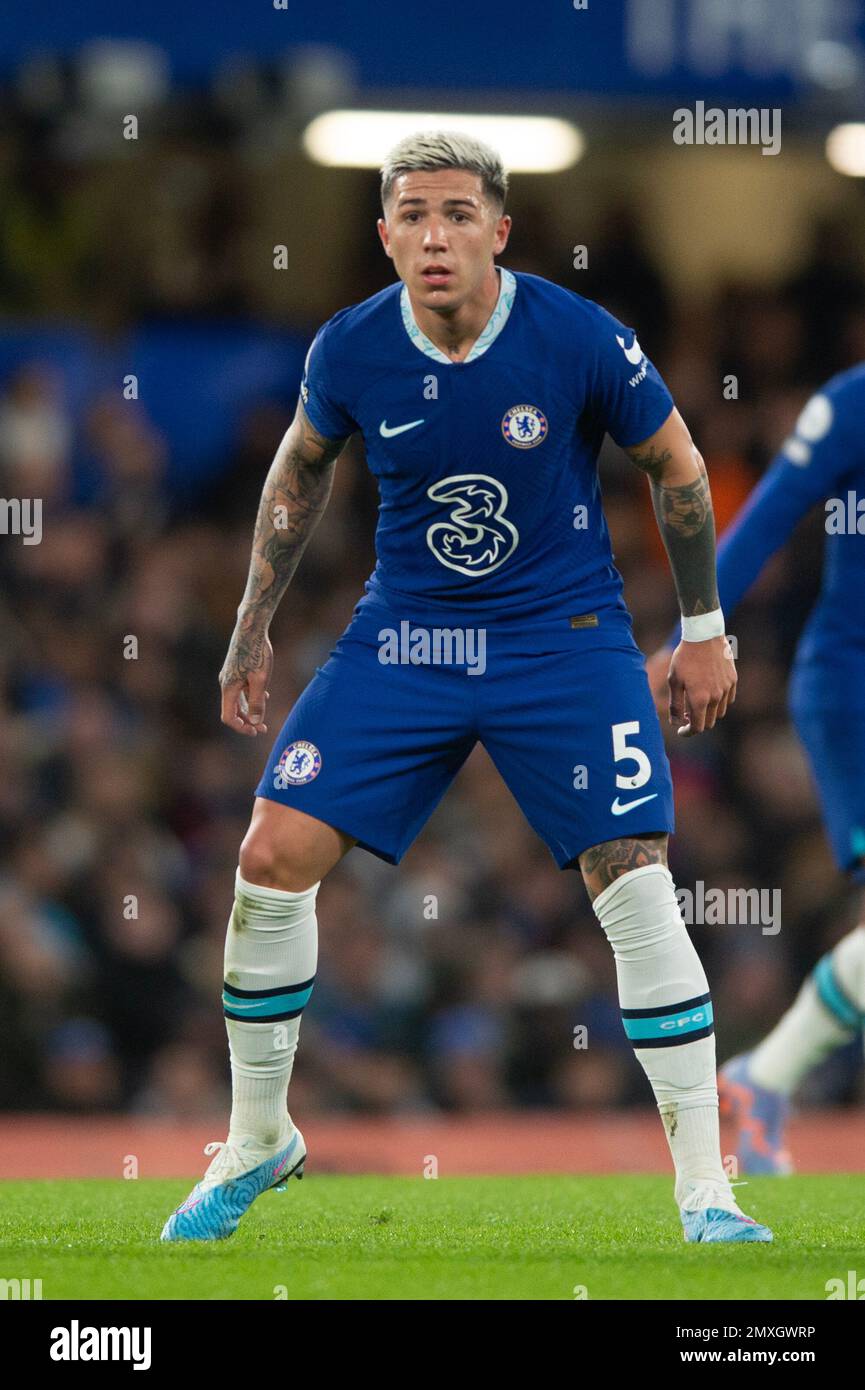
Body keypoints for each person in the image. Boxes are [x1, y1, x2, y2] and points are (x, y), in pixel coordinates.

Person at [161, 130, 768, 1244]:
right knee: (267, 855)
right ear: (383, 234)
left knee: (634, 881)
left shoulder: (577, 336)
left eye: (455, 213)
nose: (434, 235)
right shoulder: (349, 349)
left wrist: (702, 630)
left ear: (499, 229)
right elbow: (300, 468)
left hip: (562, 639)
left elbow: (676, 465)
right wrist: (252, 621)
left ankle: (705, 1190)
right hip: (409, 636)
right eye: (411, 215)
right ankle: (258, 1139)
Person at [648, 368, 865, 1174]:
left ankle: (764, 1076)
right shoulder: (848, 405)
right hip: (853, 689)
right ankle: (765, 1075)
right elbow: (765, 517)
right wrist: (688, 635)